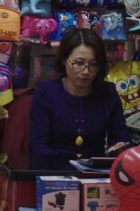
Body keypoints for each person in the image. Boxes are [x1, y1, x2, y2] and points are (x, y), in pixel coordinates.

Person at [29, 28, 130, 170]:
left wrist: (119, 147)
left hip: (96, 176)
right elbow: (38, 145)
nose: (86, 71)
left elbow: (121, 137)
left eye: (93, 64)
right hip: (54, 174)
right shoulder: (46, 92)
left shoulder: (108, 92)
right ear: (64, 59)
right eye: (79, 63)